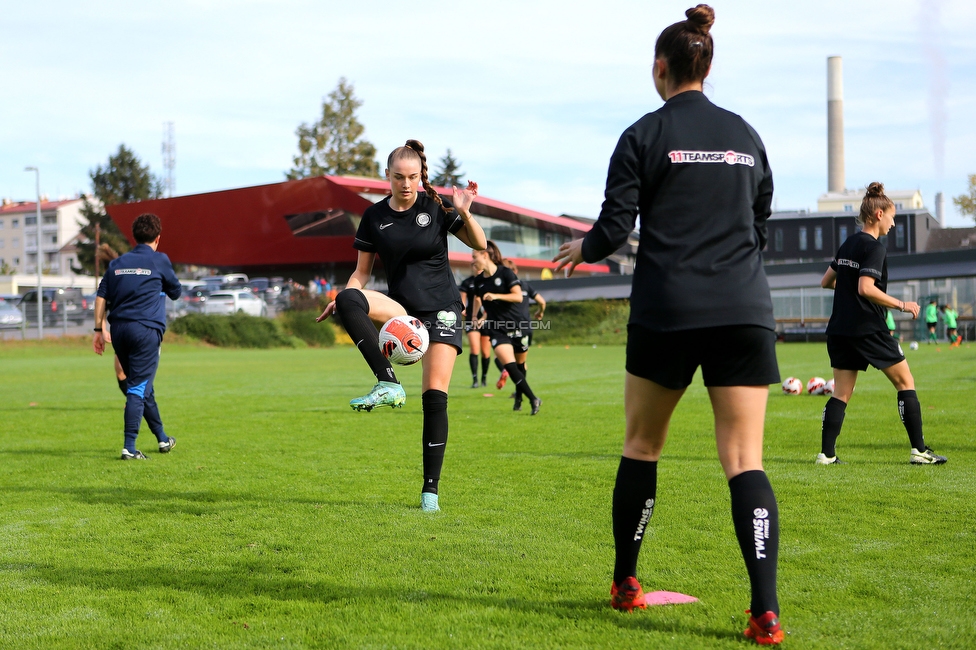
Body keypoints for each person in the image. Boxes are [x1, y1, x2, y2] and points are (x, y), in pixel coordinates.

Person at [553, 6, 784, 644]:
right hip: (743, 309)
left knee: (642, 446)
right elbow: (760, 221)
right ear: (707, 65)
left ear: (661, 68)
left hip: (668, 310)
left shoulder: (643, 134)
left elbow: (614, 224)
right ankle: (765, 611)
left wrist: (584, 250)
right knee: (744, 460)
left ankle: (626, 582)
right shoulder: (747, 135)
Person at [316, 139, 486, 512]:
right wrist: (340, 301)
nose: (406, 184)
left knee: (434, 397)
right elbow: (361, 274)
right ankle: (388, 382)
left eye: (412, 177)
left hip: (441, 309)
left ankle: (430, 493)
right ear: (387, 176)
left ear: (419, 176)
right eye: (398, 177)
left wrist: (465, 213)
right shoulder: (374, 217)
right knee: (346, 297)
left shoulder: (436, 207)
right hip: (402, 312)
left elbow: (480, 244)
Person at [817, 182, 947, 467]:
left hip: (839, 328)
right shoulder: (874, 247)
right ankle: (919, 450)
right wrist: (903, 304)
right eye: (892, 216)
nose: (893, 223)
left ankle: (826, 455)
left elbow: (826, 282)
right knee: (905, 381)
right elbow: (866, 288)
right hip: (867, 328)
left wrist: (848, 287)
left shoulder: (848, 243)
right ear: (878, 214)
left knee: (841, 392)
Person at [93, 213, 182, 460]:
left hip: (119, 331)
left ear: (134, 236)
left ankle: (163, 439)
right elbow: (176, 291)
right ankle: (129, 448)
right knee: (138, 387)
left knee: (142, 386)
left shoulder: (117, 264)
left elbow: (101, 297)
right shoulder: (159, 259)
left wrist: (98, 331)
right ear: (158, 238)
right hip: (145, 331)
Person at [471, 242, 542, 415]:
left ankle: (519, 396)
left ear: (485, 255)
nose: (472, 261)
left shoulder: (505, 273)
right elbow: (481, 302)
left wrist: (496, 295)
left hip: (517, 325)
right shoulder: (479, 281)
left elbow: (518, 296)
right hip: (497, 328)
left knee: (520, 365)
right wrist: (476, 317)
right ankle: (533, 398)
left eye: (474, 257)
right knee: (509, 366)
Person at [502, 260, 546, 411]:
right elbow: (542, 301)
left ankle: (521, 399)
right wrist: (540, 312)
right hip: (526, 328)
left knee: (513, 365)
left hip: (511, 328)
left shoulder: (503, 287)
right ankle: (519, 400)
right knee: (520, 365)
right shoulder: (525, 285)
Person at [460, 264, 493, 388]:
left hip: (486, 318)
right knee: (474, 349)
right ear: (472, 267)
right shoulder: (467, 282)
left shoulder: (489, 280)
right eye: (475, 266)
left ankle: (484, 377)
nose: (478, 268)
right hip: (471, 318)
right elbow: (462, 299)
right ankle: (475, 380)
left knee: (485, 352)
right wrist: (462, 309)